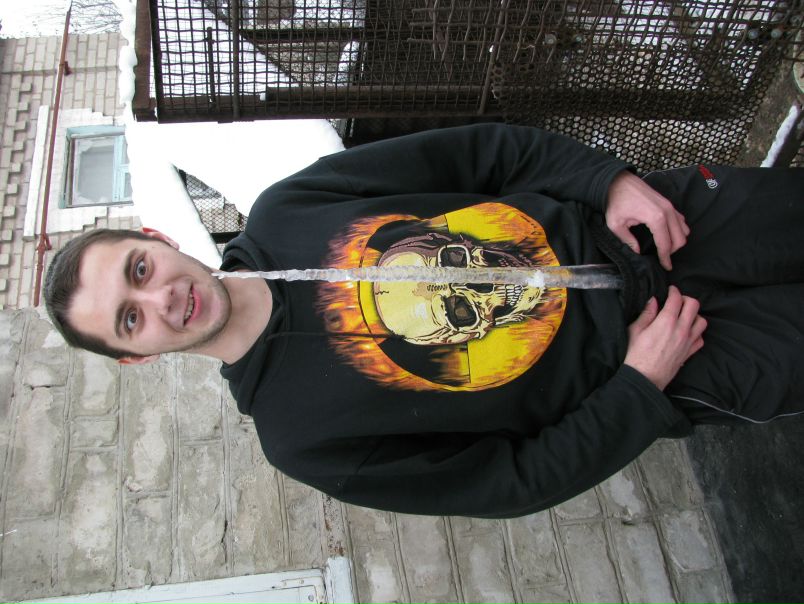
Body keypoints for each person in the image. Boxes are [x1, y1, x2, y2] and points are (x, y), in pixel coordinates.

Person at [44, 124, 803, 518]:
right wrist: (637, 389)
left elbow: (475, 154)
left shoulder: (289, 208)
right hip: (685, 360)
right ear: (135, 357)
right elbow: (509, 483)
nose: (161, 299)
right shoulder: (303, 441)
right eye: (130, 320)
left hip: (661, 225)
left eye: (138, 270)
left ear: (157, 240)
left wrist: (605, 182)